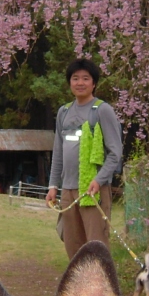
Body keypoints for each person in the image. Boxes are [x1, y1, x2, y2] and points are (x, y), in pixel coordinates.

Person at [46, 58, 123, 259]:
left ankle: (101, 289)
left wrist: (99, 180)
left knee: (96, 247)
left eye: (85, 79)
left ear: (94, 83)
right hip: (68, 190)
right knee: (73, 247)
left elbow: (115, 152)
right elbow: (58, 152)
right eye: (75, 78)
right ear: (69, 82)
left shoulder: (102, 110)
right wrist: (53, 185)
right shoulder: (63, 113)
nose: (80, 83)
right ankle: (80, 290)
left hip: (92, 191)